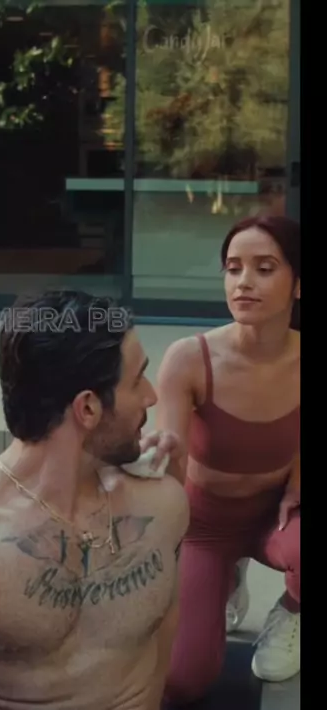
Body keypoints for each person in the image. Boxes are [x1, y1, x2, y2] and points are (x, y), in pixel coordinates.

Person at [0, 290, 189, 710]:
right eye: (137, 380)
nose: (152, 397)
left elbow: (161, 643)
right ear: (88, 408)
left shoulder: (160, 505)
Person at [141, 214, 300, 705]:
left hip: (273, 514)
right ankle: (223, 578)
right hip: (204, 525)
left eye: (264, 268)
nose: (243, 282)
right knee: (184, 680)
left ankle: (291, 612)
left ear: (298, 285)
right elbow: (171, 458)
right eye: (233, 268)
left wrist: (298, 484)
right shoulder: (189, 358)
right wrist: (158, 460)